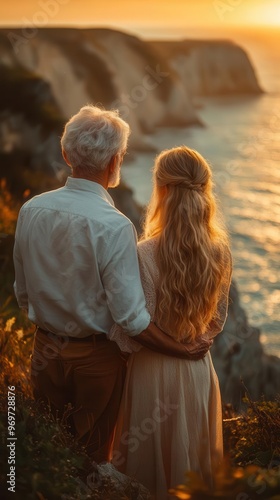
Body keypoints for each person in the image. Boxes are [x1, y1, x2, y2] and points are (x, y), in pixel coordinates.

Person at [13, 106, 211, 463]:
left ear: (65, 153)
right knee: (91, 461)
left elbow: (23, 292)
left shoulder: (31, 210)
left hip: (43, 351)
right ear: (115, 162)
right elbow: (132, 320)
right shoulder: (115, 226)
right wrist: (181, 350)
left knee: (47, 453)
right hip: (95, 359)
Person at [111, 146, 233, 497]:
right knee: (190, 470)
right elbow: (216, 320)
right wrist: (194, 341)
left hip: (151, 371)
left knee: (146, 473)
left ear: (162, 190)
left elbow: (129, 331)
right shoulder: (220, 250)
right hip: (198, 370)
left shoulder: (144, 252)